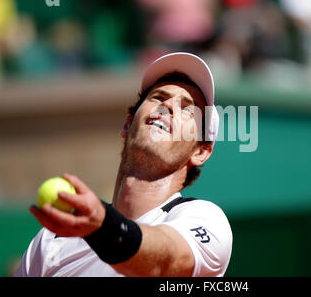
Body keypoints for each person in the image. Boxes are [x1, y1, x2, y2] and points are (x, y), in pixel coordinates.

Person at [15, 52, 232, 277]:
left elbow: (166, 261)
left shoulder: (205, 219)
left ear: (200, 151)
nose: (167, 105)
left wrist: (103, 227)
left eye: (188, 109)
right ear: (128, 124)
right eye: (158, 98)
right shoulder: (51, 240)